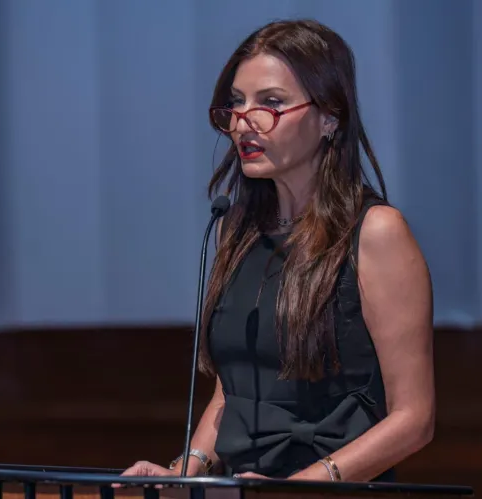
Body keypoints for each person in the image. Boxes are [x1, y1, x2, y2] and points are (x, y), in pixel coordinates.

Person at [121, 19, 434, 482]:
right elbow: (233, 393)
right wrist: (185, 471)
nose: (243, 121)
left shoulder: (376, 233)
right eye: (236, 102)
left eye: (270, 103)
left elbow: (414, 420)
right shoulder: (236, 229)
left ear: (329, 117)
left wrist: (300, 488)